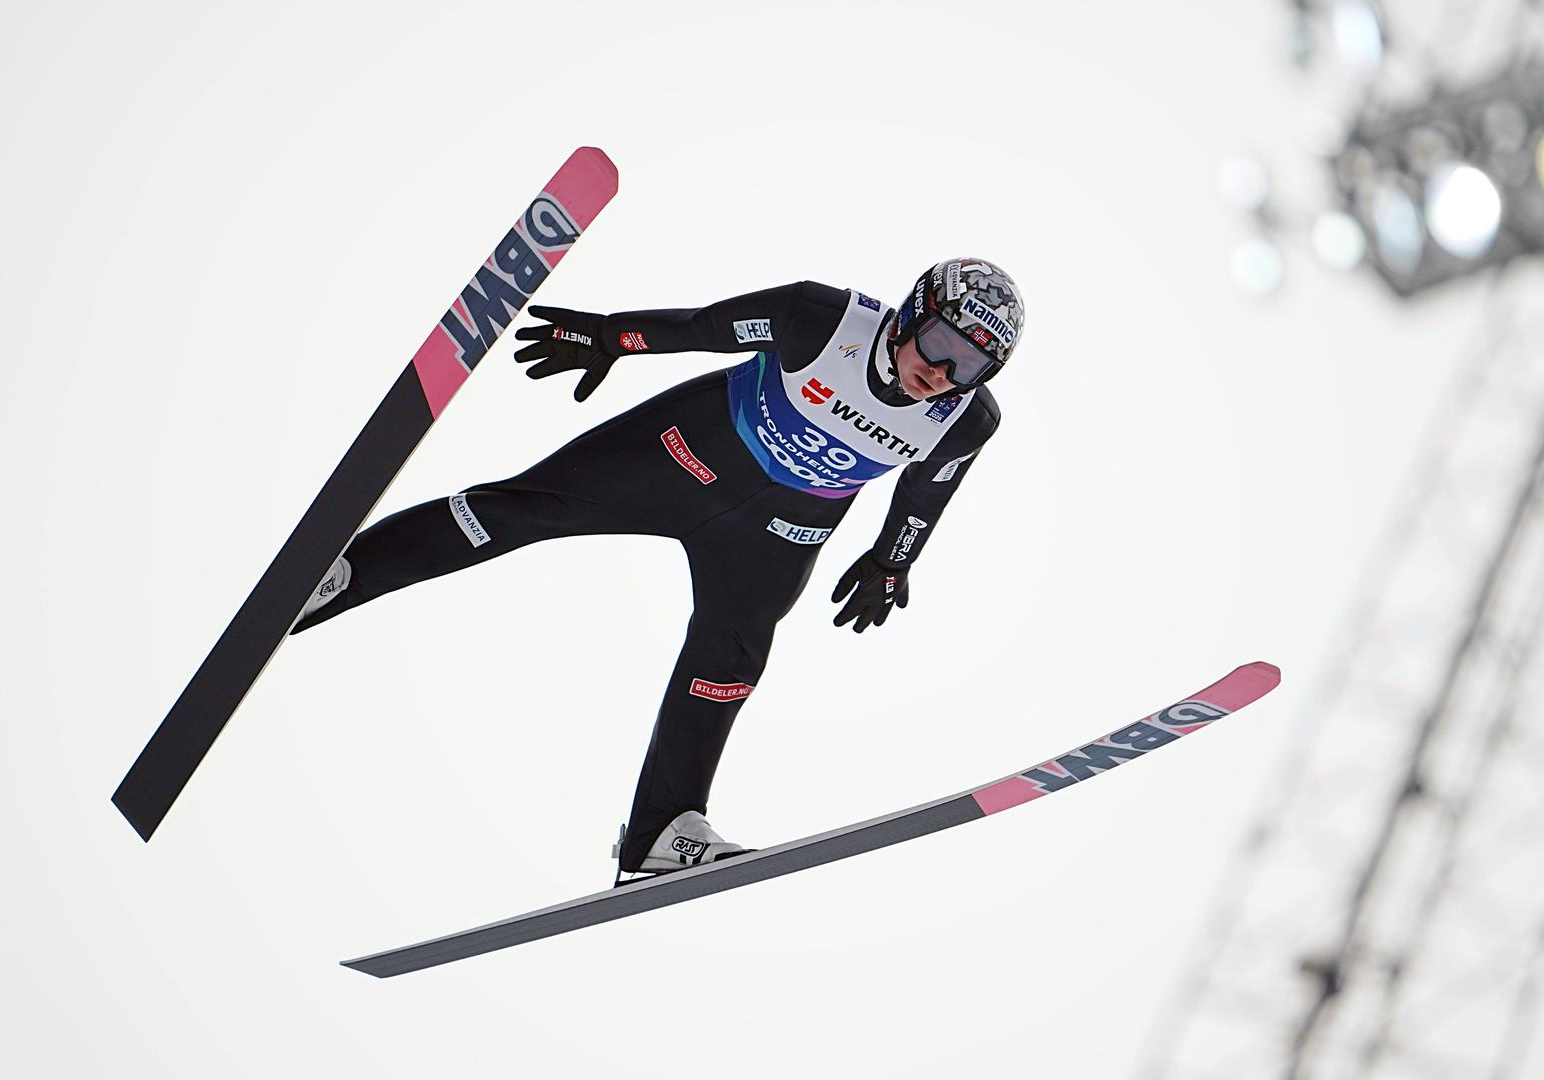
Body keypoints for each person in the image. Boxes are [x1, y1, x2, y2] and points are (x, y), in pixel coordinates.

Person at [290, 259, 1025, 882]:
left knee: (731, 660)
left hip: (778, 532)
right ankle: (343, 576)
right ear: (909, 314)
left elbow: (928, 492)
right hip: (680, 456)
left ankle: (663, 834)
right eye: (939, 344)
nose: (942, 372)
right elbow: (702, 328)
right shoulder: (820, 320)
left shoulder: (965, 419)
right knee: (516, 511)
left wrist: (892, 563)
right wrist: (612, 337)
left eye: (971, 366)